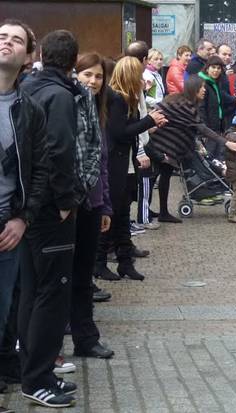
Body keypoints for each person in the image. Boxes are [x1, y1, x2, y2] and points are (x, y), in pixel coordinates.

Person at [18, 29, 84, 408]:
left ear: (40, 53)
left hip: (30, 207)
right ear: (74, 62)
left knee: (32, 291)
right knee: (51, 293)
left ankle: (32, 370)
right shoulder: (59, 95)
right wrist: (64, 200)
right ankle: (38, 377)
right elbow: (58, 150)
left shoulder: (28, 86)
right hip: (49, 210)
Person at [0, 18, 49, 410]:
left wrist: (24, 217)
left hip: (7, 227)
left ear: (27, 56)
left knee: (3, 313)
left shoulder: (28, 109)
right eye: (1, 37)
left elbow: (40, 171)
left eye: (16, 40)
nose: (6, 44)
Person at [95, 56, 167, 282]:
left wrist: (149, 123)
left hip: (126, 165)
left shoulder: (128, 98)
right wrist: (149, 121)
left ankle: (125, 262)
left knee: (123, 214)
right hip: (117, 165)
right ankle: (100, 263)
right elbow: (119, 132)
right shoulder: (117, 99)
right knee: (113, 214)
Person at [146, 75, 236, 223]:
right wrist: (226, 143)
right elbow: (203, 129)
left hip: (161, 143)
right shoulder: (187, 106)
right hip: (163, 145)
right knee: (156, 178)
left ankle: (153, 210)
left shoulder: (177, 100)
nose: (204, 90)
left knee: (157, 178)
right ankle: (157, 212)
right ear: (194, 89)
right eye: (202, 87)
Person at [69, 53, 115, 360]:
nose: (93, 81)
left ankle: (86, 338)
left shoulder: (99, 110)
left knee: (84, 277)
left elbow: (102, 165)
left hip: (93, 204)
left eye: (98, 76)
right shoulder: (69, 106)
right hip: (68, 204)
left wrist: (106, 205)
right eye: (87, 75)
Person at [198, 56, 228, 160]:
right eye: (213, 67)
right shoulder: (203, 84)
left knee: (217, 153)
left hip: (217, 124)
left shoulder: (215, 83)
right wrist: (204, 129)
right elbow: (200, 108)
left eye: (218, 68)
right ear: (207, 68)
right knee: (209, 155)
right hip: (208, 127)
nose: (216, 70)